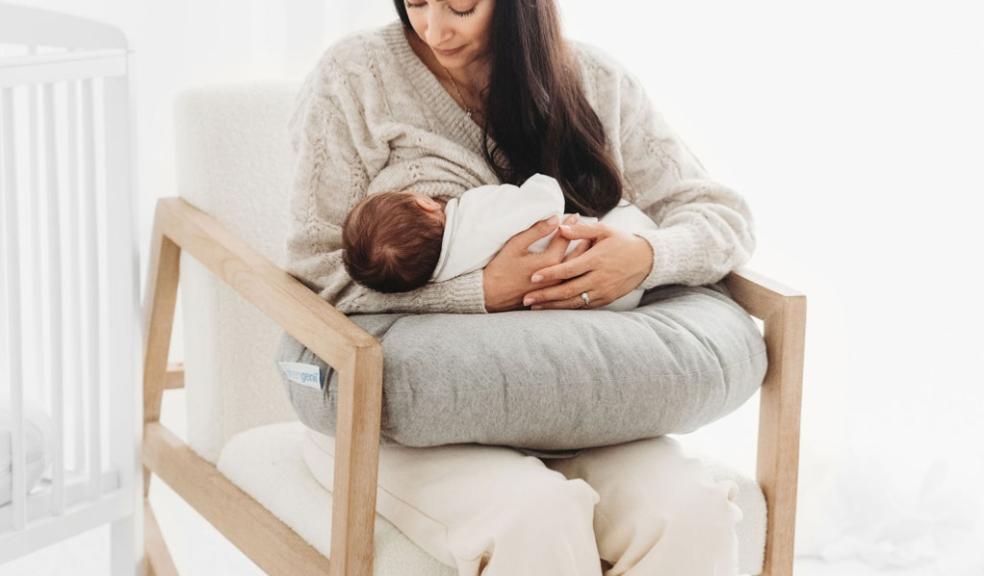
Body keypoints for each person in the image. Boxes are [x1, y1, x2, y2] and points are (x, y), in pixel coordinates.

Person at [284, 0, 757, 573]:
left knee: (692, 514)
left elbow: (720, 217)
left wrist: (644, 258)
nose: (434, 29)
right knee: (537, 519)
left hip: (577, 405)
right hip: (417, 426)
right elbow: (315, 270)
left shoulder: (595, 83)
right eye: (415, 3)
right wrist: (479, 289)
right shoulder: (355, 77)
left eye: (461, 4)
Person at [341, 173, 660, 311]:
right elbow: (546, 206)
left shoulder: (445, 276)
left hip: (600, 302)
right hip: (609, 268)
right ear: (424, 203)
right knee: (624, 213)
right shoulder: (475, 212)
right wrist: (540, 185)